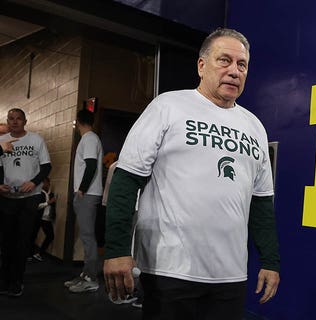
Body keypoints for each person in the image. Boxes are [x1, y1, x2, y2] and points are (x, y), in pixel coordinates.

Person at [103, 28, 280, 319]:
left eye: (242, 64)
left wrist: (270, 260)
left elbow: (261, 202)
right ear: (201, 66)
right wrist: (116, 250)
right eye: (224, 61)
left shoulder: (255, 127)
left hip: (230, 274)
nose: (234, 71)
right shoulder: (168, 106)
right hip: (171, 271)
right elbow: (127, 178)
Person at [0, 108, 52, 297]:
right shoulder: (1, 142)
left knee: (22, 242)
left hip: (29, 199)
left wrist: (34, 182)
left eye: (18, 119)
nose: (14, 122)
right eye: (11, 119)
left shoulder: (36, 140)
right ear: (7, 121)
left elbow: (47, 166)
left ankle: (17, 282)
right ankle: (4, 281)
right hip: (7, 199)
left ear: (25, 121)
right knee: (6, 242)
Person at [64, 109, 103, 293]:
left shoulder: (89, 139)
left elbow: (92, 165)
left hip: (87, 194)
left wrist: (82, 189)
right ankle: (86, 274)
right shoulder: (89, 139)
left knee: (88, 237)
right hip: (86, 193)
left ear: (78, 121)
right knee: (85, 236)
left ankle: (92, 278)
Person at [31, 177, 56, 262]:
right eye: (43, 183)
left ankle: (38, 253)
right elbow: (36, 206)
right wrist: (48, 203)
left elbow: (53, 207)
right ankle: (30, 254)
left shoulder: (51, 194)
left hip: (47, 218)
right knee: (33, 235)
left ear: (49, 183)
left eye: (46, 182)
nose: (44, 184)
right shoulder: (38, 194)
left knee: (50, 236)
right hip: (39, 217)